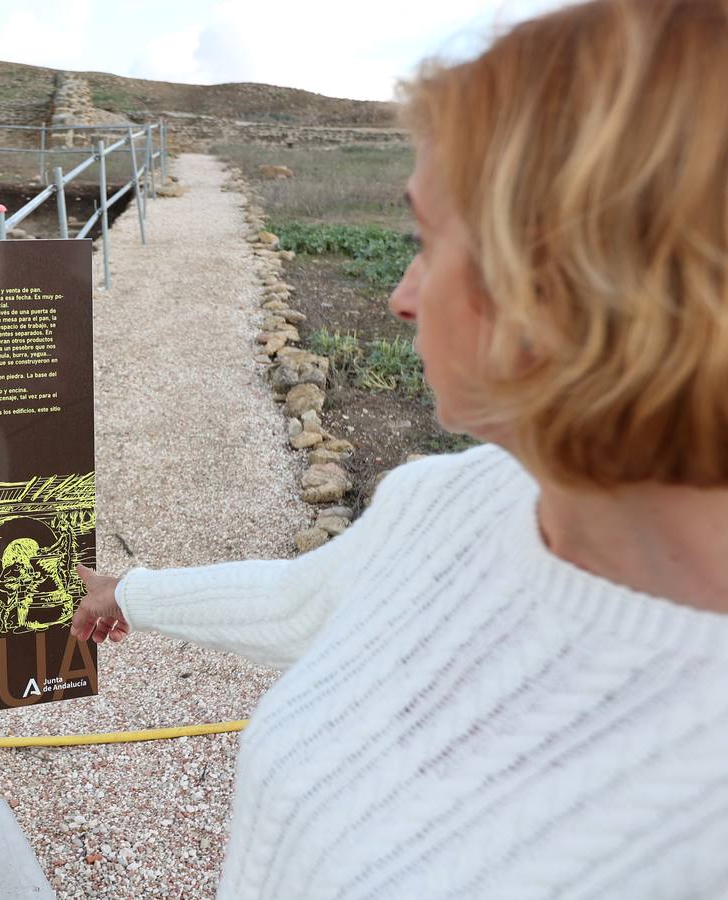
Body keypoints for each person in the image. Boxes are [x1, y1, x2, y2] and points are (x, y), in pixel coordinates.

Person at [72, 1, 728, 896]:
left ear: (568, 282)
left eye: (427, 241)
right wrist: (131, 593)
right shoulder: (462, 494)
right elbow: (310, 600)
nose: (402, 298)